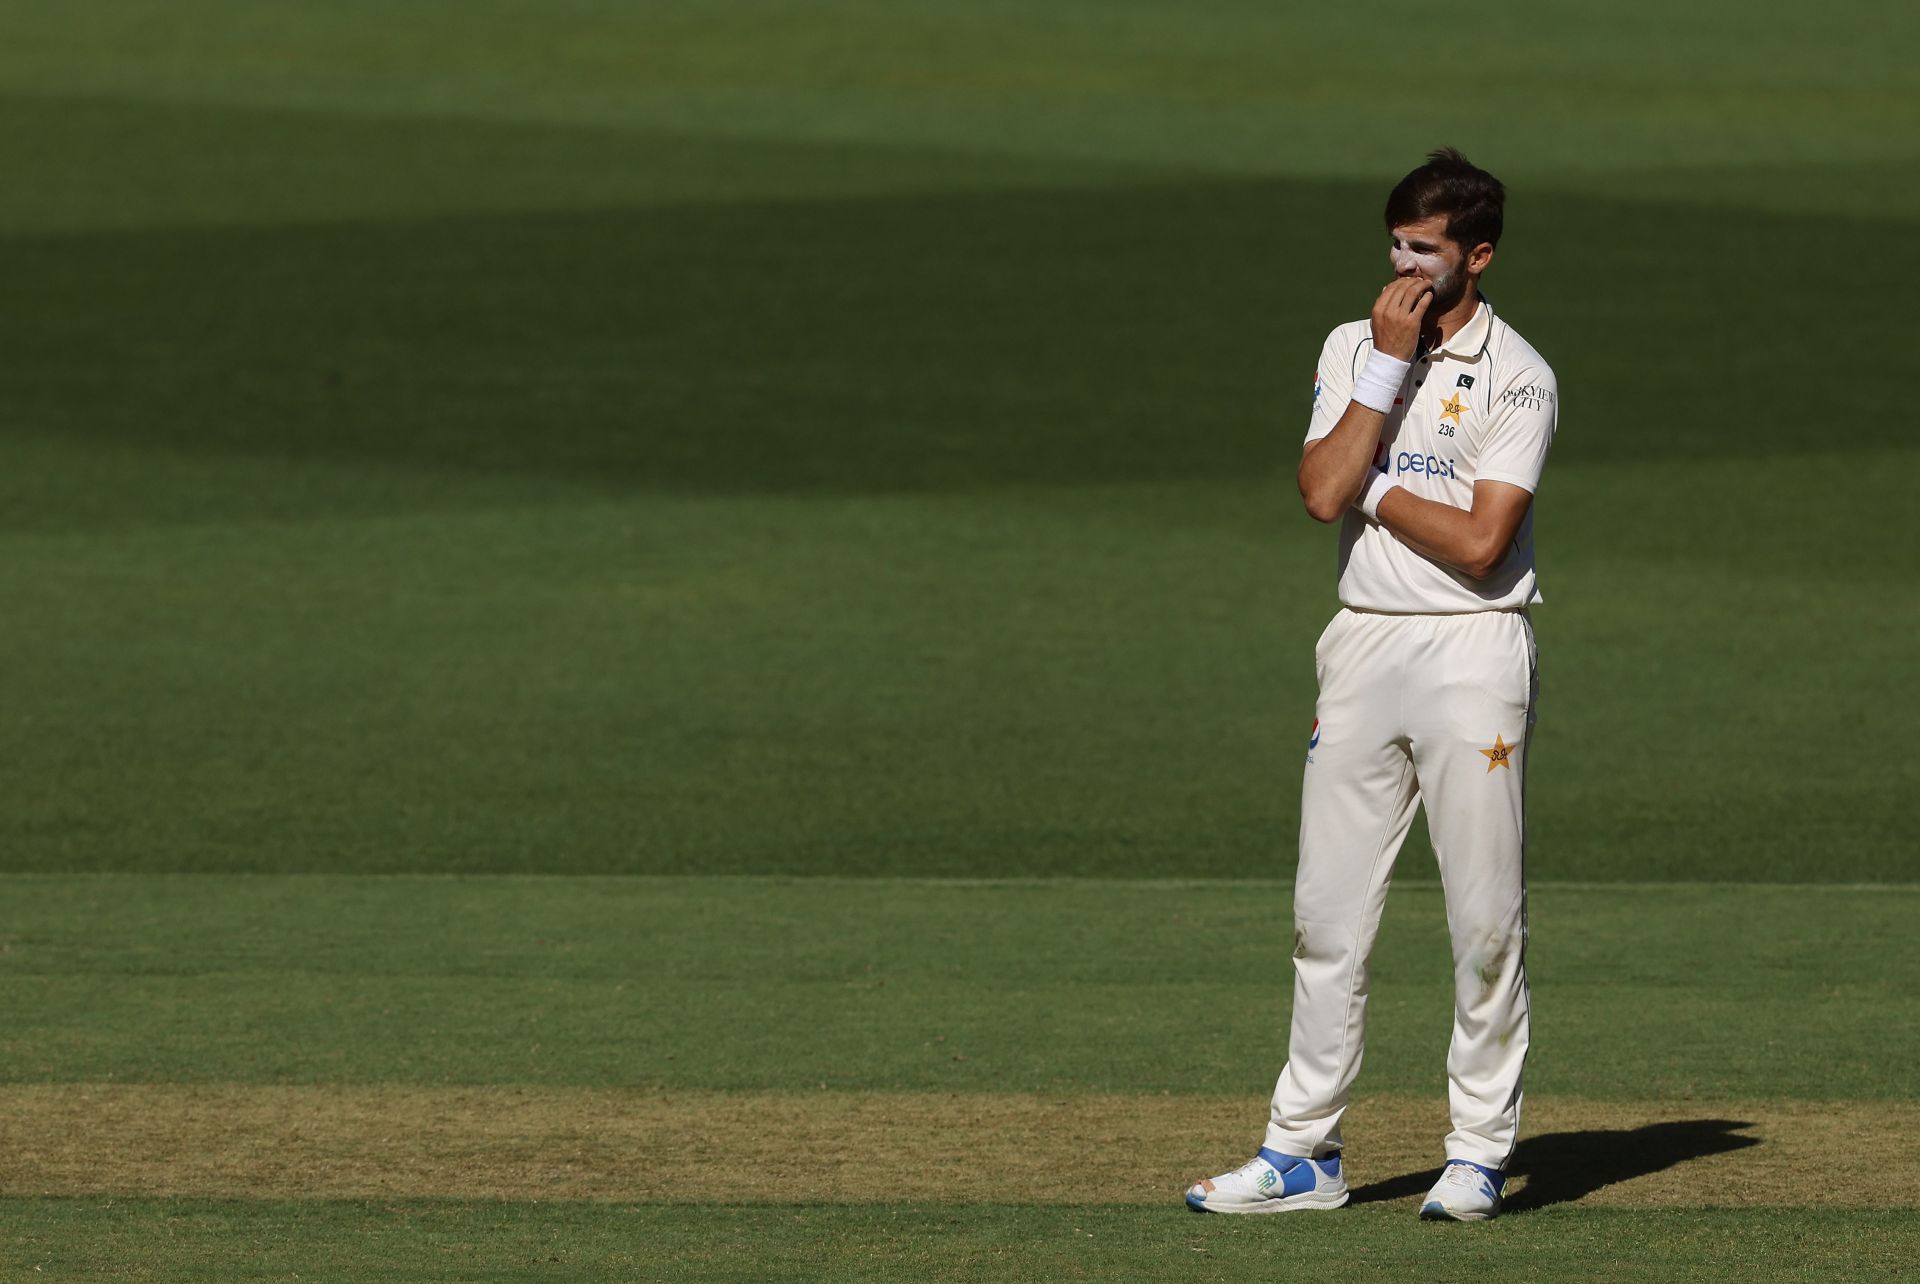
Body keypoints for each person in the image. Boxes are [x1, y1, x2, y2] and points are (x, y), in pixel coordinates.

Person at [1186, 148, 1558, 1223]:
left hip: (1473, 651)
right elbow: (1316, 492)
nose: (1401, 265)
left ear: (1476, 256)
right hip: (1361, 645)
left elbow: (1486, 541)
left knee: (1484, 921)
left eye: (1426, 249)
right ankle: (1304, 1154)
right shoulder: (1354, 346)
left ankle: (1479, 1152)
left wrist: (1380, 492)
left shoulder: (1518, 374)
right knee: (1325, 915)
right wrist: (1384, 373)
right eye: (1394, 242)